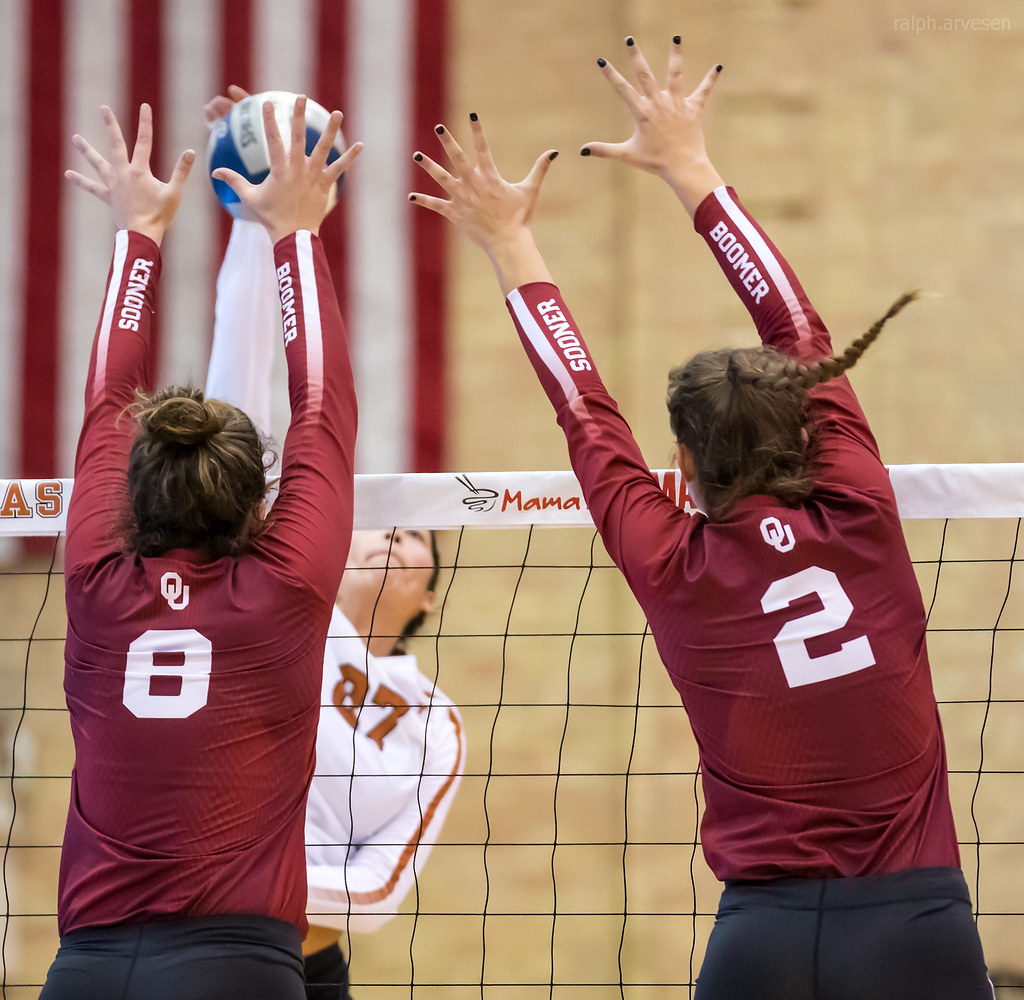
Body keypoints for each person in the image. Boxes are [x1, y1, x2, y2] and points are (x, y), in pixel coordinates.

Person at [409, 36, 993, 1000]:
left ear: (679, 464)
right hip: (914, 929)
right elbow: (793, 321)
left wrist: (511, 241)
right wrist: (692, 166)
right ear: (812, 418)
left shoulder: (669, 558)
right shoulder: (859, 505)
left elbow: (583, 407)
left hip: (758, 944)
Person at [41, 97, 362, 999]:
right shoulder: (285, 585)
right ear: (257, 500)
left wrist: (139, 235)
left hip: (87, 971)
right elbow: (325, 403)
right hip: (234, 967)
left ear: (128, 492)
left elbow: (107, 398)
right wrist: (296, 235)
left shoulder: (98, 583)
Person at [205, 89, 466, 1000]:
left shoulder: (431, 718)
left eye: (417, 537)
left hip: (302, 968)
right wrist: (254, 222)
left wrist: (236, 883)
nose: (392, 534)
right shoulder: (277, 603)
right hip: (192, 943)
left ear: (427, 597)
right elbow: (240, 397)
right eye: (379, 520)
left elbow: (379, 888)